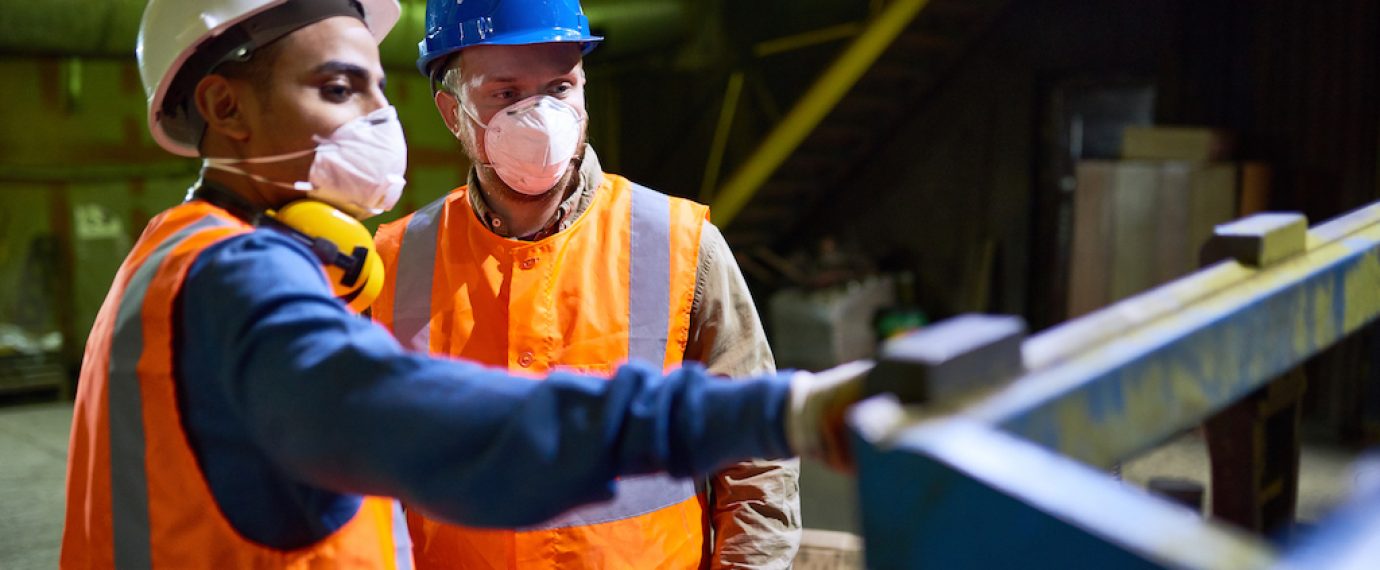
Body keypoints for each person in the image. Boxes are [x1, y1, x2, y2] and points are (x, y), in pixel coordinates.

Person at [60, 0, 868, 567]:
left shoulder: (173, 255)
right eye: (341, 89)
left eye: (559, 88)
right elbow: (444, 429)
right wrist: (781, 410)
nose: (378, 120)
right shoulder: (279, 279)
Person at [369, 0, 801, 567]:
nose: (541, 115)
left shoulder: (680, 245)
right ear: (452, 112)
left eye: (560, 86)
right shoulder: (394, 262)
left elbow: (755, 458)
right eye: (505, 94)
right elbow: (362, 476)